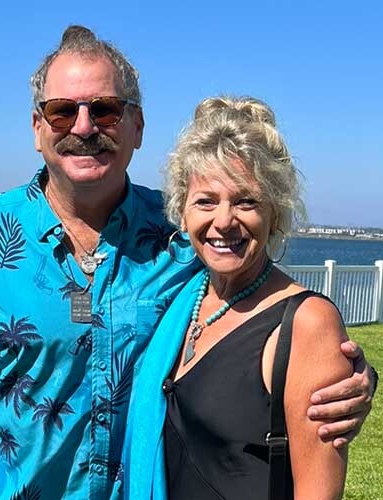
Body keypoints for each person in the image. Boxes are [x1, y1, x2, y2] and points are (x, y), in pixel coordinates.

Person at [0, 27, 375, 500]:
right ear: (37, 128)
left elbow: (264, 302)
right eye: (62, 111)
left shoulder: (182, 236)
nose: (84, 128)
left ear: (137, 126)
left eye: (104, 109)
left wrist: (341, 373)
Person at [123, 96, 365, 500]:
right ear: (182, 212)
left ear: (275, 212)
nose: (223, 221)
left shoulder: (306, 324)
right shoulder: (182, 295)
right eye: (205, 201)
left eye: (246, 201)